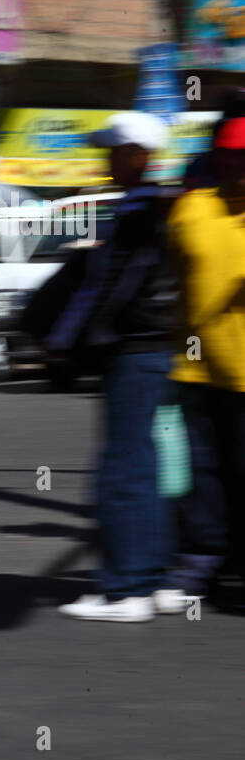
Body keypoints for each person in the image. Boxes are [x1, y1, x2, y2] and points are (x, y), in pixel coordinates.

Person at [45, 113, 179, 622]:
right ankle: (157, 578)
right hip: (160, 349)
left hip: (135, 350)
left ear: (137, 155)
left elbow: (114, 287)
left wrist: (64, 339)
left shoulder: (141, 208)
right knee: (149, 467)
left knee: (122, 470)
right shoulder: (165, 205)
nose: (107, 160)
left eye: (114, 151)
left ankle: (126, 589)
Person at [158, 116, 245, 612]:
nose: (240, 165)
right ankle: (201, 564)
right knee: (199, 476)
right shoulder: (191, 209)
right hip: (195, 370)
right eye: (232, 154)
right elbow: (165, 272)